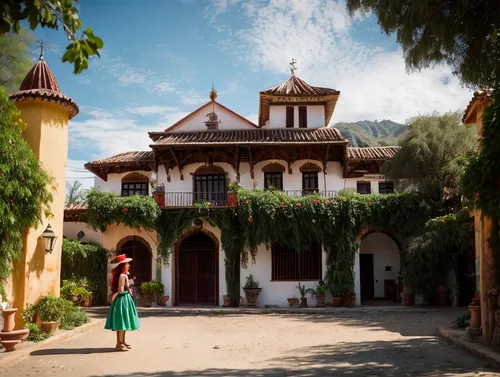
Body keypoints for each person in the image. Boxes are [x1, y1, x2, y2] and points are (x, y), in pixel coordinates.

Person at [105, 254, 139, 351]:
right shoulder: (123, 275)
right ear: (123, 265)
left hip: (123, 298)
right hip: (123, 299)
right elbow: (120, 289)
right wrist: (128, 291)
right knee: (122, 321)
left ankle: (121, 342)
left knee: (122, 321)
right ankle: (120, 343)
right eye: (127, 263)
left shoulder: (123, 275)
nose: (128, 265)